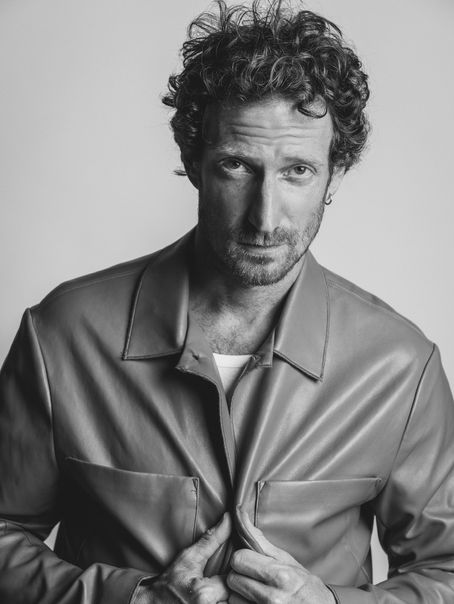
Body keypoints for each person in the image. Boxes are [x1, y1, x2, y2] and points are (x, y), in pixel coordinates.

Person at [0, 0, 453, 602]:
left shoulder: (400, 365)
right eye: (237, 166)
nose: (265, 218)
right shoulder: (63, 336)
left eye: (297, 171)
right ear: (193, 162)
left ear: (336, 174)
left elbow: (445, 570)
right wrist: (131, 599)